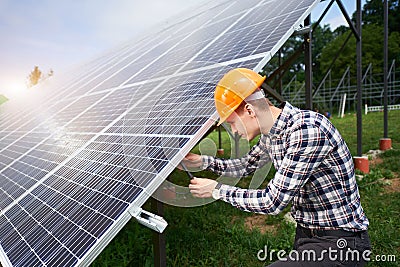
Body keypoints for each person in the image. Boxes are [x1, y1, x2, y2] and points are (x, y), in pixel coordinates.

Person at [181, 68, 370, 266]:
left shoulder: (306, 131)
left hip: (342, 242)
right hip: (307, 234)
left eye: (232, 123)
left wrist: (217, 190)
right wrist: (202, 162)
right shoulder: (271, 135)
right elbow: (245, 166)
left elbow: (273, 202)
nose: (234, 131)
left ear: (249, 110)